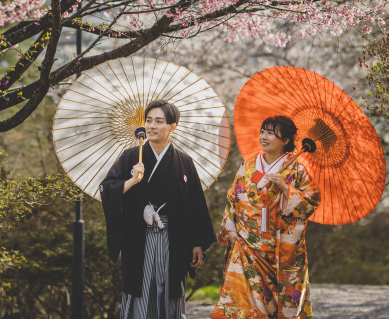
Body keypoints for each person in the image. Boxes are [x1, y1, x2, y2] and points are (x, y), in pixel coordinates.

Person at [100, 100, 216, 319]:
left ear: (173, 127)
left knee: (169, 289)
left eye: (159, 121)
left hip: (174, 238)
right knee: (140, 288)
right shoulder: (130, 157)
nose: (151, 126)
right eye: (149, 121)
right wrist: (132, 181)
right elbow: (107, 188)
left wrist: (197, 242)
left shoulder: (184, 162)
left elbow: (195, 203)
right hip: (138, 236)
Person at [212, 116, 320, 319]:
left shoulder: (297, 170)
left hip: (278, 248)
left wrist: (285, 187)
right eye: (263, 131)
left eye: (270, 133)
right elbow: (232, 198)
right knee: (238, 301)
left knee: (277, 308)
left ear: (286, 140)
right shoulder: (249, 165)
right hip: (246, 244)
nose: (264, 136)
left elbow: (311, 202)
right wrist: (231, 229)